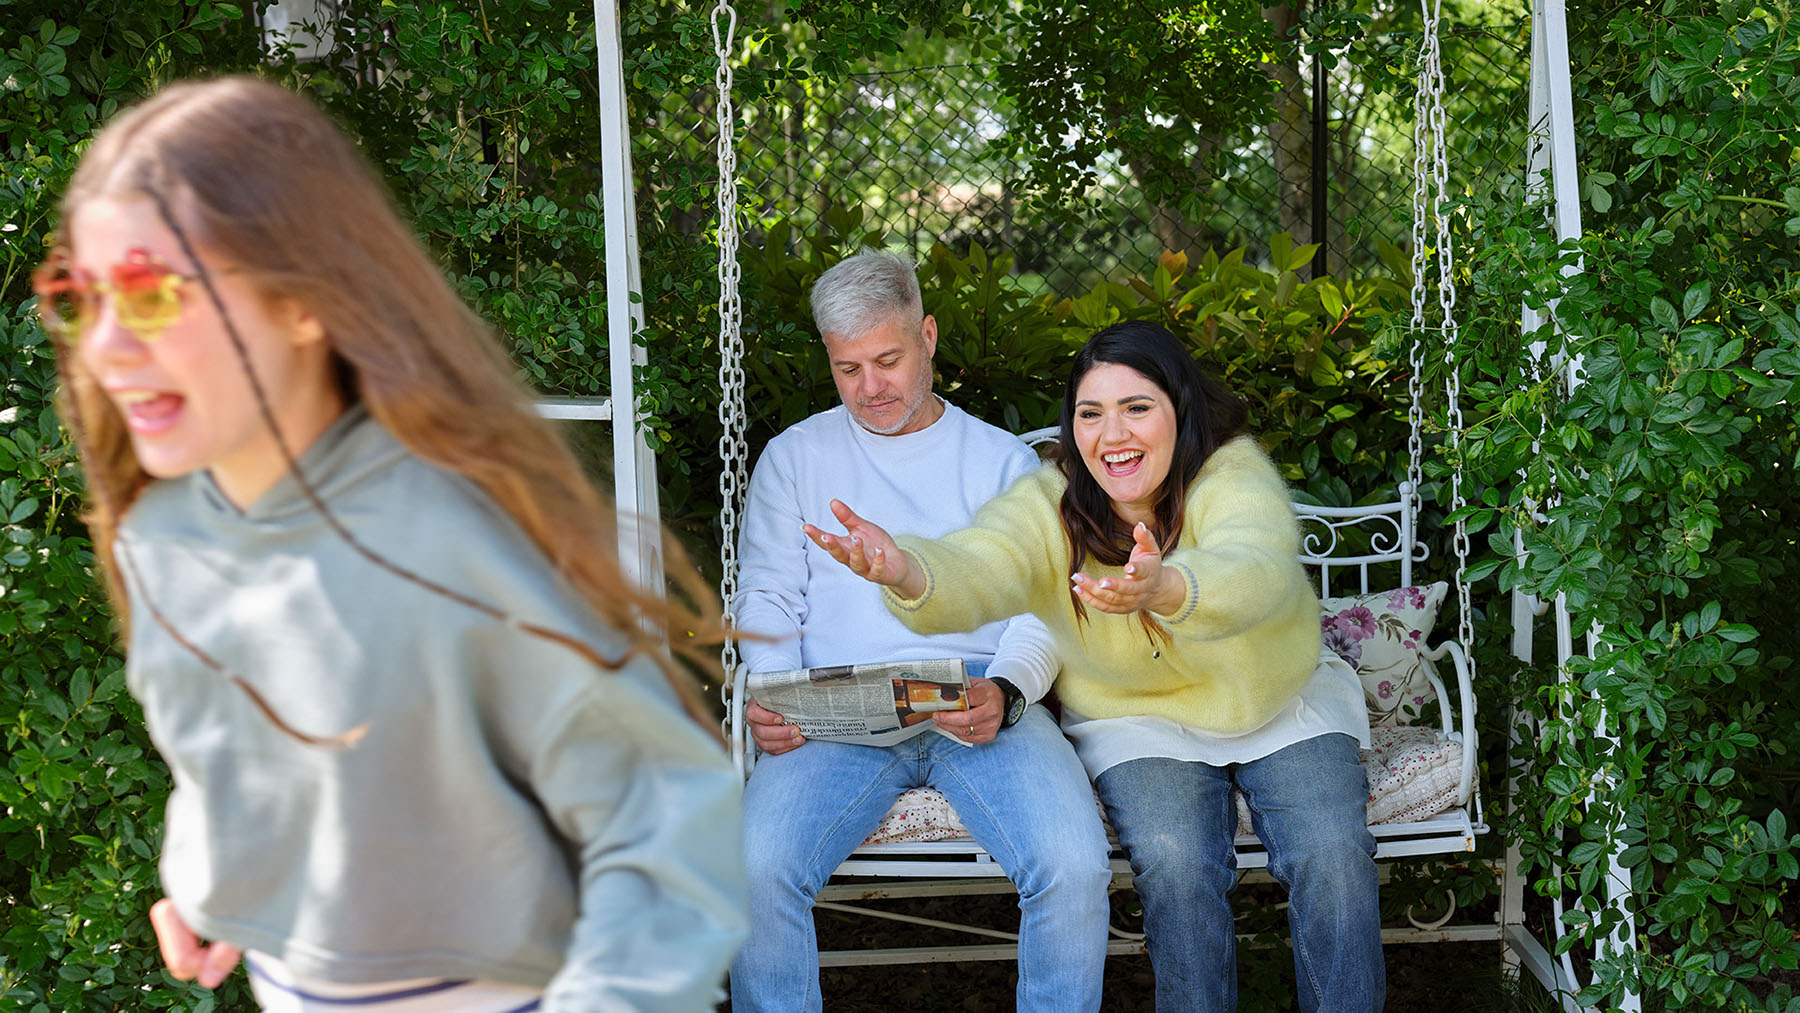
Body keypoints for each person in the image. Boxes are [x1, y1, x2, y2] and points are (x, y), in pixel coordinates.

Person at [33, 77, 746, 1011]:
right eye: (82, 298)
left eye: (155, 293)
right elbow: (234, 742)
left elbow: (666, 812)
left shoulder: (450, 539)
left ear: (305, 299)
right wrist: (215, 881)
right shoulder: (159, 536)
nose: (108, 349)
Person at [808, 319, 1383, 1013]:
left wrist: (1168, 586)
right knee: (1175, 859)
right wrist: (906, 569)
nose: (1113, 434)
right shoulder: (1054, 499)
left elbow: (1256, 567)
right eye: (1091, 412)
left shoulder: (1230, 473)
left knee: (1333, 854)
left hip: (1276, 699)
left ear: (1180, 409)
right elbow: (987, 562)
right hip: (1135, 716)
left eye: (1136, 407)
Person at [728, 249, 1113, 1012]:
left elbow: (1042, 609)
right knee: (751, 865)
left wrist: (1005, 691)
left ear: (928, 335)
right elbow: (768, 596)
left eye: (887, 359)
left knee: (1074, 864)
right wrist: (770, 689)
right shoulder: (794, 458)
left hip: (978, 704)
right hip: (833, 719)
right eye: (847, 369)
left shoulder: (1001, 464)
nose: (870, 388)